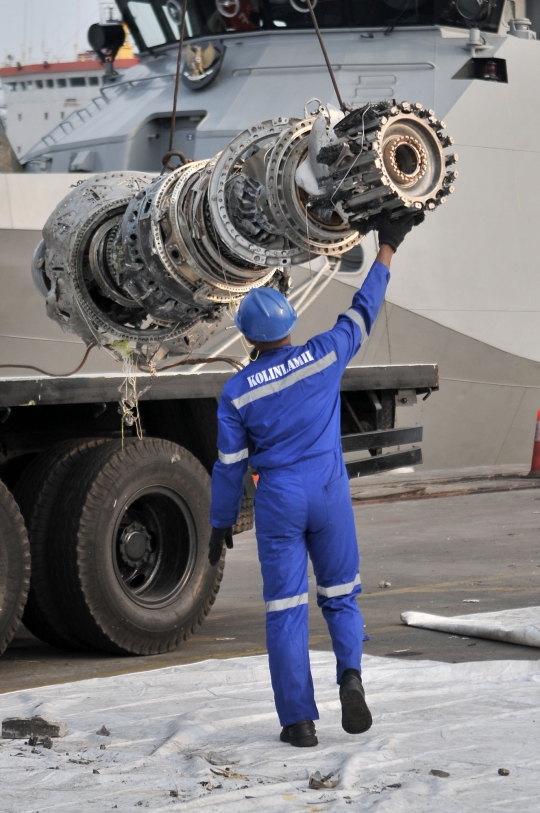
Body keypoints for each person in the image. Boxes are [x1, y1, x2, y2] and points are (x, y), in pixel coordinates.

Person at [208, 212, 424, 747]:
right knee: (341, 596)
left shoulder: (237, 392)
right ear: (287, 325)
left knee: (285, 610)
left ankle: (299, 724)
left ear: (249, 338)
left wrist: (219, 523)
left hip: (279, 499)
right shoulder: (324, 354)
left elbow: (230, 466)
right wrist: (388, 245)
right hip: (328, 492)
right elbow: (363, 310)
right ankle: (350, 676)